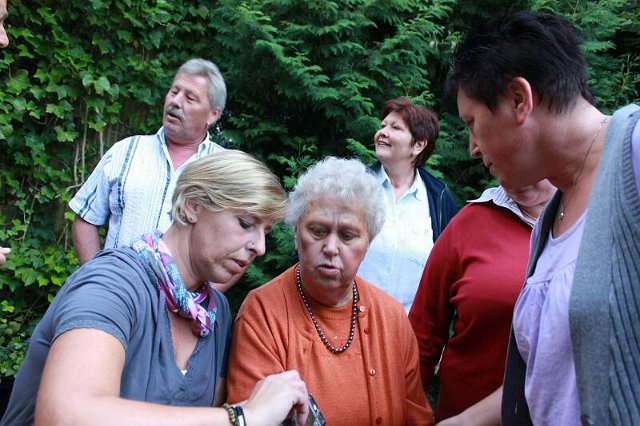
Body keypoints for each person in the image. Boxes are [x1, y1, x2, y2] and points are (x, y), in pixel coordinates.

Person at [1, 150, 311, 426]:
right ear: (192, 206)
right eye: (246, 223)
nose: (260, 247)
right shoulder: (112, 282)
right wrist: (243, 417)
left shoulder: (214, 312)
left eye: (265, 232)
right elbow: (66, 416)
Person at [443, 11, 640, 426]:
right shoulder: (550, 219)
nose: (473, 148)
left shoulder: (634, 155)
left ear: (519, 99)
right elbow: (552, 380)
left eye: (472, 124)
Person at [226, 157, 433, 425]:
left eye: (347, 235)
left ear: (368, 243)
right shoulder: (263, 314)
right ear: (296, 233)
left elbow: (417, 417)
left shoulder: (391, 317)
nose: (331, 248)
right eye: (318, 231)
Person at [408, 181, 555, 422]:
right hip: (460, 412)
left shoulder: (593, 223)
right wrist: (408, 413)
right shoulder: (470, 222)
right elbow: (422, 337)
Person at [70, 58, 226, 264]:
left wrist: (208, 285)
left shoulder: (225, 170)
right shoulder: (126, 151)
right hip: (117, 283)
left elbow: (241, 243)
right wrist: (98, 278)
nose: (176, 102)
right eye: (174, 92)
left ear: (213, 115)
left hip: (185, 287)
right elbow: (86, 218)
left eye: (190, 98)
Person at [357, 98, 458, 312]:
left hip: (408, 328)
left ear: (419, 145)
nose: (382, 132)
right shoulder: (354, 185)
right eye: (383, 125)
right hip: (348, 324)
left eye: (395, 127)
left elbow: (448, 273)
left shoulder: (439, 199)